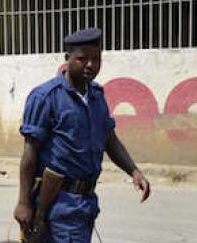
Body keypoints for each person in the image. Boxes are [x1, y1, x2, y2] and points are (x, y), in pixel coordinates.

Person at [14, 28, 151, 242]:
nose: (90, 65)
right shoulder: (46, 97)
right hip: (57, 202)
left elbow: (109, 140)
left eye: (95, 59)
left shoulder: (97, 96)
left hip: (85, 203)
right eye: (82, 58)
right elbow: (29, 154)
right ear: (67, 59)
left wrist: (133, 170)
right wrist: (23, 203)